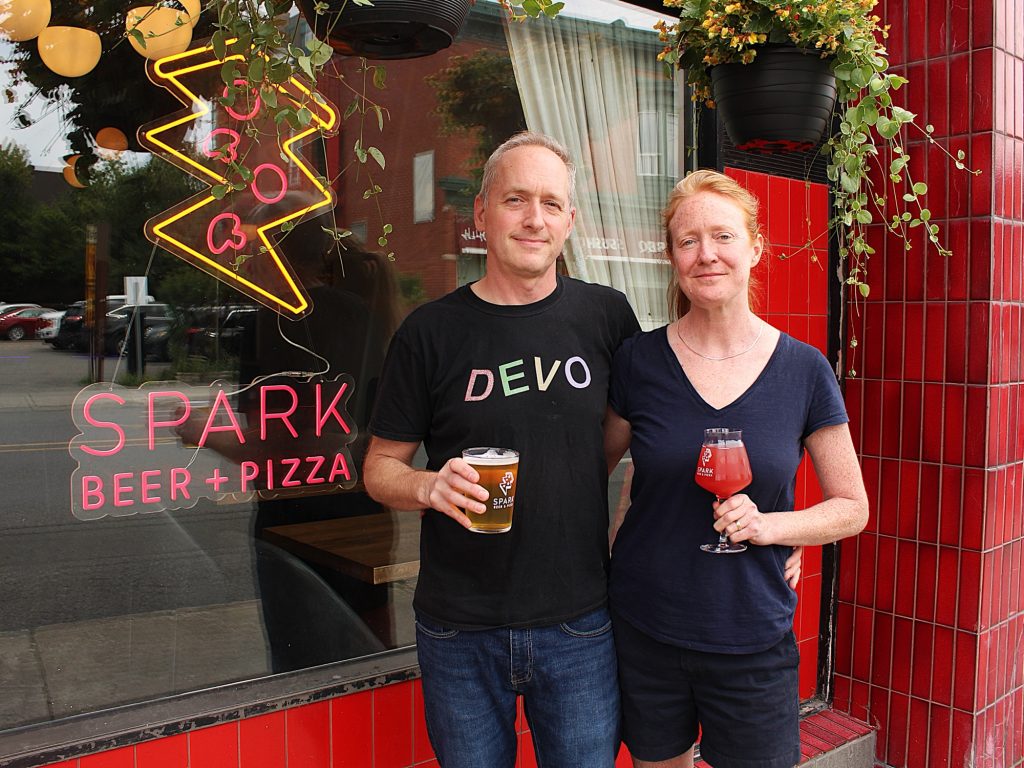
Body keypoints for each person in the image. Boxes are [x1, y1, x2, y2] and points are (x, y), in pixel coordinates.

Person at [362, 131, 641, 768]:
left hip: (579, 621)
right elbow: (379, 468)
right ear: (482, 212)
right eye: (516, 200)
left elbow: (662, 428)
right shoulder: (430, 333)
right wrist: (430, 486)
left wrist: (764, 526)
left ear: (570, 219)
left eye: (550, 203)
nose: (534, 219)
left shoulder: (606, 317)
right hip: (458, 626)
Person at [603, 170, 869, 768]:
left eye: (722, 236)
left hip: (752, 634)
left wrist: (774, 528)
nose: (706, 255)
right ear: (671, 256)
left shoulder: (803, 369)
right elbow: (601, 470)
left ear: (755, 246)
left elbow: (852, 507)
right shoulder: (638, 360)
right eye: (688, 240)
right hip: (647, 624)